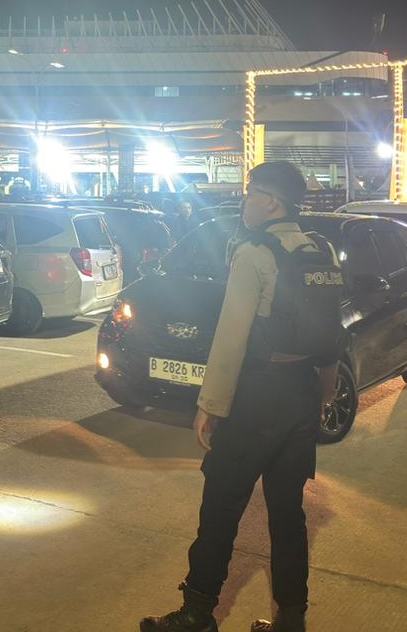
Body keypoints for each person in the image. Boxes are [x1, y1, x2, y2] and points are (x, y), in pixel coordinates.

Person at [141, 161, 341, 632]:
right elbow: (330, 334)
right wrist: (323, 395)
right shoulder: (320, 251)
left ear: (271, 202)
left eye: (250, 193)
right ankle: (291, 619)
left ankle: (197, 613)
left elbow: (231, 336)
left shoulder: (254, 253)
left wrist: (210, 405)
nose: (244, 201)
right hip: (301, 394)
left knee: (220, 508)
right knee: (288, 515)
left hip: (256, 398)